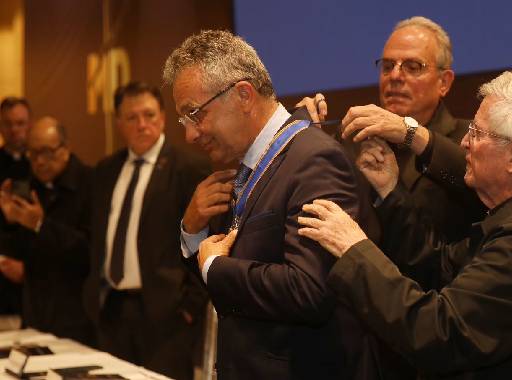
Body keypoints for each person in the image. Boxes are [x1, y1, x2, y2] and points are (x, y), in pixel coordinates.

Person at [297, 69, 512, 379]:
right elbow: (440, 269)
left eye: (477, 132)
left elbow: (438, 334)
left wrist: (355, 251)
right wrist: (390, 192)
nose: (465, 142)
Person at [164, 30, 380, 379]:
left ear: (243, 95)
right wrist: (195, 233)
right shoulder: (247, 165)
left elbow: (310, 289)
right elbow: (231, 272)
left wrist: (216, 267)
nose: (190, 134)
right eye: (184, 121)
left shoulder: (315, 160)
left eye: (195, 114)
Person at [298, 16, 485, 291]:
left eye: (413, 66)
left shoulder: (468, 139)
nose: (395, 76)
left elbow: (476, 183)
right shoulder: (352, 139)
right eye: (387, 66)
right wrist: (306, 141)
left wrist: (409, 132)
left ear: (444, 82)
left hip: (437, 297)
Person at [82, 81, 208, 379]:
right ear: (119, 123)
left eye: (149, 115)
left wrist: (189, 307)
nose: (142, 124)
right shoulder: (105, 170)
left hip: (167, 316)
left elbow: (206, 239)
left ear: (163, 117)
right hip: (110, 309)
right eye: (132, 117)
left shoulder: (188, 168)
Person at [0, 117, 94, 344]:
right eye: (33, 154)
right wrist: (11, 220)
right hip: (35, 311)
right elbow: (20, 249)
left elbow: (88, 250)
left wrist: (41, 225)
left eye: (47, 152)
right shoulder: (30, 186)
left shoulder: (90, 182)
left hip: (78, 314)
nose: (40, 161)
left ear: (66, 148)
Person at [0, 97, 32, 317]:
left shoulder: (41, 163)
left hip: (34, 266)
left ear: (30, 124)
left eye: (20, 123)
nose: (14, 130)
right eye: (8, 124)